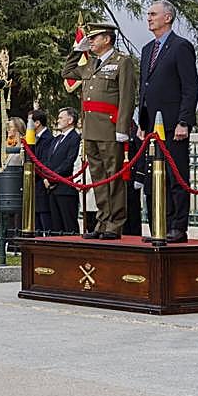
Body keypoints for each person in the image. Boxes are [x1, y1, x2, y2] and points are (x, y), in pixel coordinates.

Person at [62, 22, 135, 240]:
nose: (91, 41)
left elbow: (127, 96)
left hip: (110, 128)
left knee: (113, 178)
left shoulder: (122, 62)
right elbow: (67, 72)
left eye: (94, 38)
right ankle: (103, 221)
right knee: (98, 179)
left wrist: (122, 128)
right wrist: (77, 50)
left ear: (107, 39)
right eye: (90, 38)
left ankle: (115, 223)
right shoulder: (90, 63)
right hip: (91, 130)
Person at [138, 1, 198, 243]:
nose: (149, 18)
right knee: (154, 178)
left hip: (174, 126)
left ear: (168, 17)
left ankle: (177, 226)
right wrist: (142, 123)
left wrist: (184, 120)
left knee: (175, 177)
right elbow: (145, 88)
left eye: (153, 14)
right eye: (148, 14)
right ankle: (158, 226)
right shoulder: (146, 50)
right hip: (152, 127)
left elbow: (190, 87)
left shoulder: (180, 47)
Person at [45, 108, 81, 235]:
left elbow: (69, 162)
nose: (58, 120)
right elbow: (49, 160)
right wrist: (47, 177)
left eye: (61, 118)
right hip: (52, 188)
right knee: (56, 225)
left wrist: (51, 177)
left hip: (66, 188)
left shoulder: (75, 138)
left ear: (70, 120)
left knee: (68, 224)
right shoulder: (56, 139)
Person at [30, 109, 52, 233]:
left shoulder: (47, 138)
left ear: (37, 123)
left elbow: (43, 162)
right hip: (34, 185)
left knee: (45, 222)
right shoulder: (33, 138)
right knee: (36, 223)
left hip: (42, 183)